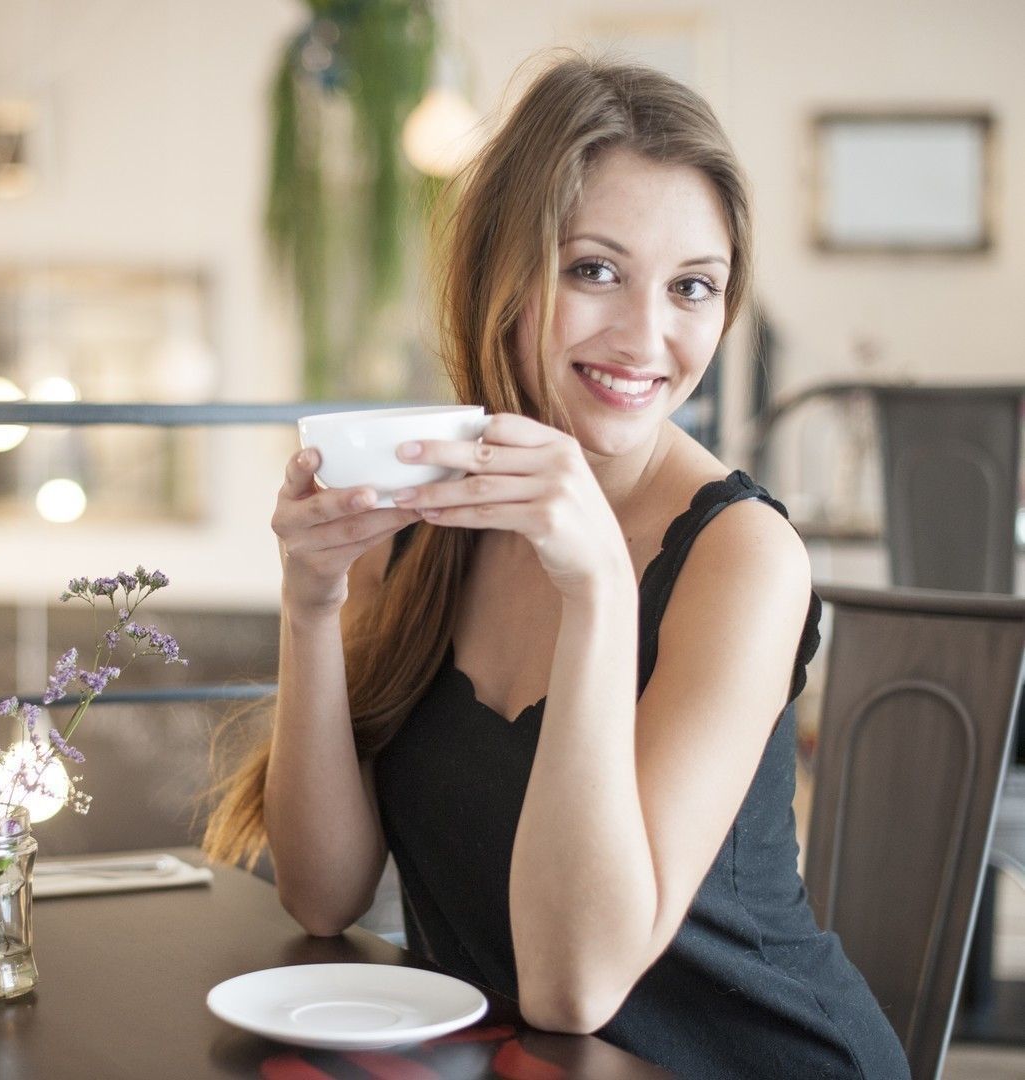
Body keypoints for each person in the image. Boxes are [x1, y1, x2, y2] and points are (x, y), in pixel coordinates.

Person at [203, 52, 910, 1079]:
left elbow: (574, 987)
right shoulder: (435, 512)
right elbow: (321, 894)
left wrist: (598, 592)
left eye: (692, 287)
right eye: (593, 270)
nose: (645, 336)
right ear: (503, 271)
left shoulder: (741, 556)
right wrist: (311, 605)